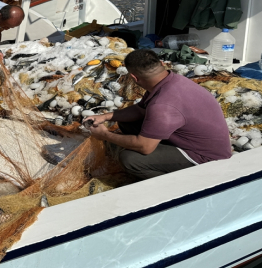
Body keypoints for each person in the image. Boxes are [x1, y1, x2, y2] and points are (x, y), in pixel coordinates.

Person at [84, 49, 232, 180]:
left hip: (207, 159)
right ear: (161, 64)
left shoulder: (162, 105)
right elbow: (140, 110)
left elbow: (145, 147)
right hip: (196, 142)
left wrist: (104, 135)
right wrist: (106, 116)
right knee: (126, 121)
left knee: (131, 159)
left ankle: (176, 186)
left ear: (134, 78)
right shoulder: (170, 80)